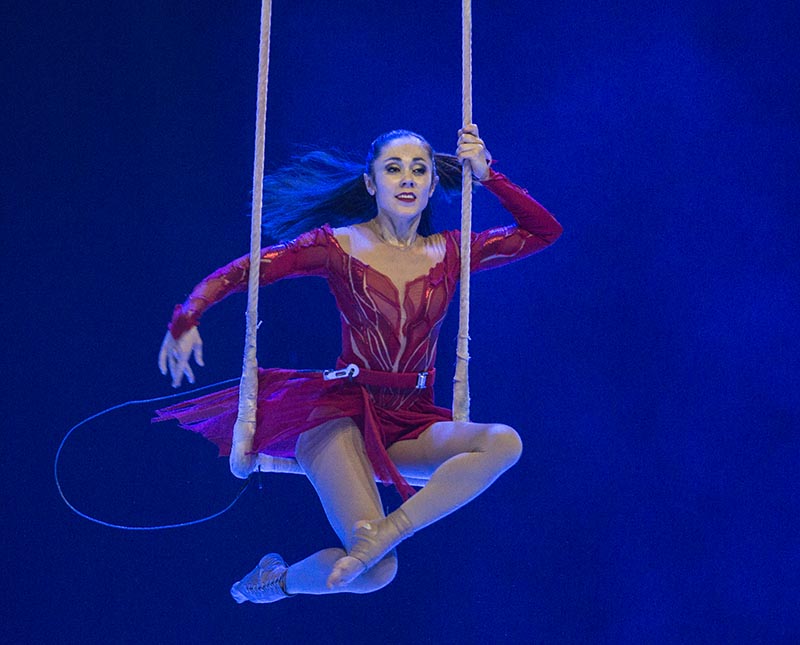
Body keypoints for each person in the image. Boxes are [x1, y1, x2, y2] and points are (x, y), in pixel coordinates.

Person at [155, 125, 562, 603]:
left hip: (409, 420)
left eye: (419, 170)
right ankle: (278, 582)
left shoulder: (451, 252)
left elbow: (543, 231)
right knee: (377, 572)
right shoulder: (337, 246)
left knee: (504, 443)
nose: (407, 179)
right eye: (393, 169)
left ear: (433, 185)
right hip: (339, 416)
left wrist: (490, 177)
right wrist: (187, 317)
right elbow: (247, 268)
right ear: (372, 183)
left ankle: (385, 533)